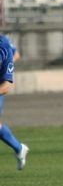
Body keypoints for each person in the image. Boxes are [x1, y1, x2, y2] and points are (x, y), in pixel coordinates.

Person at [0, 34, 28, 170]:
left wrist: (7, 64)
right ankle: (19, 148)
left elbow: (15, 55)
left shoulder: (4, 45)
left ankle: (19, 147)